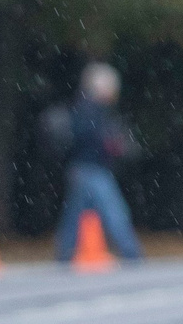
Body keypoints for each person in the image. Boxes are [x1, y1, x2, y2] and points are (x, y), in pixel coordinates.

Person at [52, 62, 143, 263]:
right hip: (92, 168)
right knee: (114, 210)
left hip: (81, 168)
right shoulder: (92, 110)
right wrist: (111, 144)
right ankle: (131, 253)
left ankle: (64, 254)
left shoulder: (82, 107)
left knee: (76, 214)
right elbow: (92, 137)